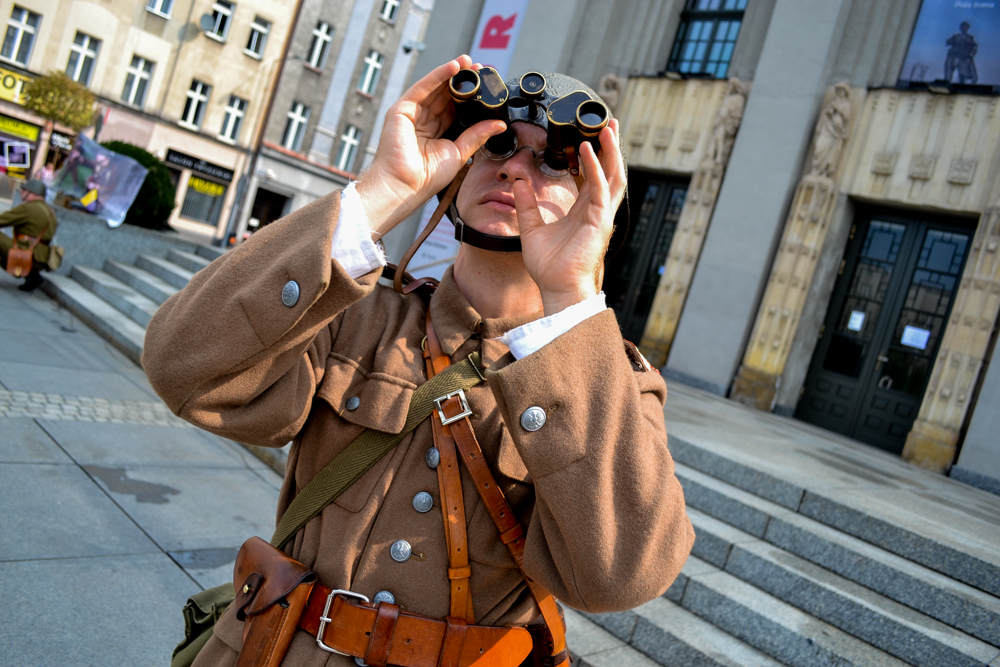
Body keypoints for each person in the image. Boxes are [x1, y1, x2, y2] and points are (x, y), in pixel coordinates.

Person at [143, 56, 694, 667]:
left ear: (596, 199)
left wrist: (571, 302)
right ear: (458, 175)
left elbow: (621, 576)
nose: (513, 166)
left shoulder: (610, 382)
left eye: (555, 160)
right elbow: (182, 370)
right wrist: (385, 189)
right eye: (496, 145)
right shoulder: (359, 316)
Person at [0, 179, 58, 292]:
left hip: (24, 256)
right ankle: (32, 276)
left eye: (24, 190)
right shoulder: (50, 212)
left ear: (33, 193)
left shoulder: (29, 208)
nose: (21, 192)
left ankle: (28, 274)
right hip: (41, 259)